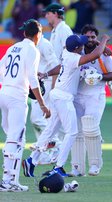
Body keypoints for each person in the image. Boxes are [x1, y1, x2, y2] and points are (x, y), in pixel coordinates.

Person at [22, 33, 110, 178]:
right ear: (77, 48)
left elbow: (60, 66)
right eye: (81, 44)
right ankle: (58, 167)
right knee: (72, 132)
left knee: (51, 129)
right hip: (64, 98)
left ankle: (32, 160)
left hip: (57, 94)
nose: (83, 45)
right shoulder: (74, 58)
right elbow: (96, 55)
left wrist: (46, 74)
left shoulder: (67, 52)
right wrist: (104, 40)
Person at [0, 19, 50, 192]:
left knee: (11, 137)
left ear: (24, 33)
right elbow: (33, 79)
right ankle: (9, 181)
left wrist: (8, 84)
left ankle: (7, 179)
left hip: (4, 93)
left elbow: (1, 69)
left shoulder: (13, 47)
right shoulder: (33, 50)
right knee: (16, 139)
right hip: (16, 98)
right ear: (38, 35)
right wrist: (42, 105)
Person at [69, 24, 112, 177]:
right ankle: (77, 168)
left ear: (97, 38)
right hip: (77, 96)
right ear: (82, 38)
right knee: (76, 131)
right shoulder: (77, 51)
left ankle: (95, 165)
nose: (90, 39)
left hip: (95, 96)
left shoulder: (104, 53)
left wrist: (99, 77)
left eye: (93, 37)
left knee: (90, 127)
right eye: (87, 37)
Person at [42, 2, 73, 161]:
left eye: (48, 13)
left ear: (55, 13)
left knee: (55, 116)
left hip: (60, 80)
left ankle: (55, 149)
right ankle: (53, 150)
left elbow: (67, 58)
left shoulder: (64, 29)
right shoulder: (55, 31)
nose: (46, 16)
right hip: (55, 78)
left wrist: (55, 82)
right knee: (53, 116)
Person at [30, 35, 61, 165]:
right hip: (37, 84)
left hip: (46, 83)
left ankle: (56, 143)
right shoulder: (31, 44)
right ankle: (44, 153)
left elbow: (56, 66)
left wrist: (53, 86)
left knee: (37, 118)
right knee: (41, 119)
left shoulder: (45, 44)